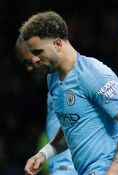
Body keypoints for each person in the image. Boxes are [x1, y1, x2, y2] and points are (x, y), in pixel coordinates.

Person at [20, 11, 118, 175]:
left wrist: (113, 171)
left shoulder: (92, 73)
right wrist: (44, 154)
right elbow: (71, 128)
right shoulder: (53, 79)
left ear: (57, 44)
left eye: (38, 52)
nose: (34, 59)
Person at [15, 37, 78, 175]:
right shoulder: (55, 80)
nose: (29, 68)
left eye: (28, 60)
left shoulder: (74, 79)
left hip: (69, 169)